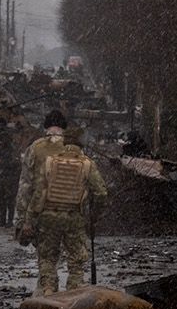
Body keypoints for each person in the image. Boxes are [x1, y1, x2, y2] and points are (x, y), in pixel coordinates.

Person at [15, 111, 108, 295]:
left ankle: (48, 295)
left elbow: (26, 187)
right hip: (74, 215)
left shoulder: (36, 148)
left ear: (45, 127)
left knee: (47, 259)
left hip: (45, 213)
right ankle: (73, 299)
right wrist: (93, 216)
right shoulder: (81, 157)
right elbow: (100, 192)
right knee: (76, 261)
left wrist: (24, 221)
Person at [0, 124, 22, 227]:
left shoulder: (13, 150)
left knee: (10, 200)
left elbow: (15, 163)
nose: (0, 142)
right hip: (2, 177)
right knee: (1, 200)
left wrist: (1, 162)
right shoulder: (1, 149)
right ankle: (2, 220)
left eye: (2, 140)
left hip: (10, 178)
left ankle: (9, 221)